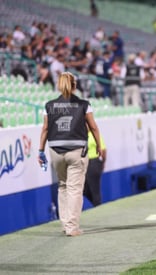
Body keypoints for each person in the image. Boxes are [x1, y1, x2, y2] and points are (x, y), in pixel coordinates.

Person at [38, 72, 102, 236]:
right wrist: (99, 145)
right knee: (75, 189)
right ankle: (72, 227)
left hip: (55, 151)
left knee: (62, 186)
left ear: (59, 85)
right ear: (75, 85)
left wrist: (40, 150)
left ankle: (65, 224)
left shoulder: (49, 105)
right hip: (76, 150)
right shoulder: (84, 104)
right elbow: (93, 127)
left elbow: (45, 129)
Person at [84, 125, 107, 207]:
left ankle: (98, 204)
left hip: (94, 162)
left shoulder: (95, 135)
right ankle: (96, 203)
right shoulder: (82, 136)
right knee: (84, 188)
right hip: (84, 163)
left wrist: (103, 162)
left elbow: (103, 149)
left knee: (95, 187)